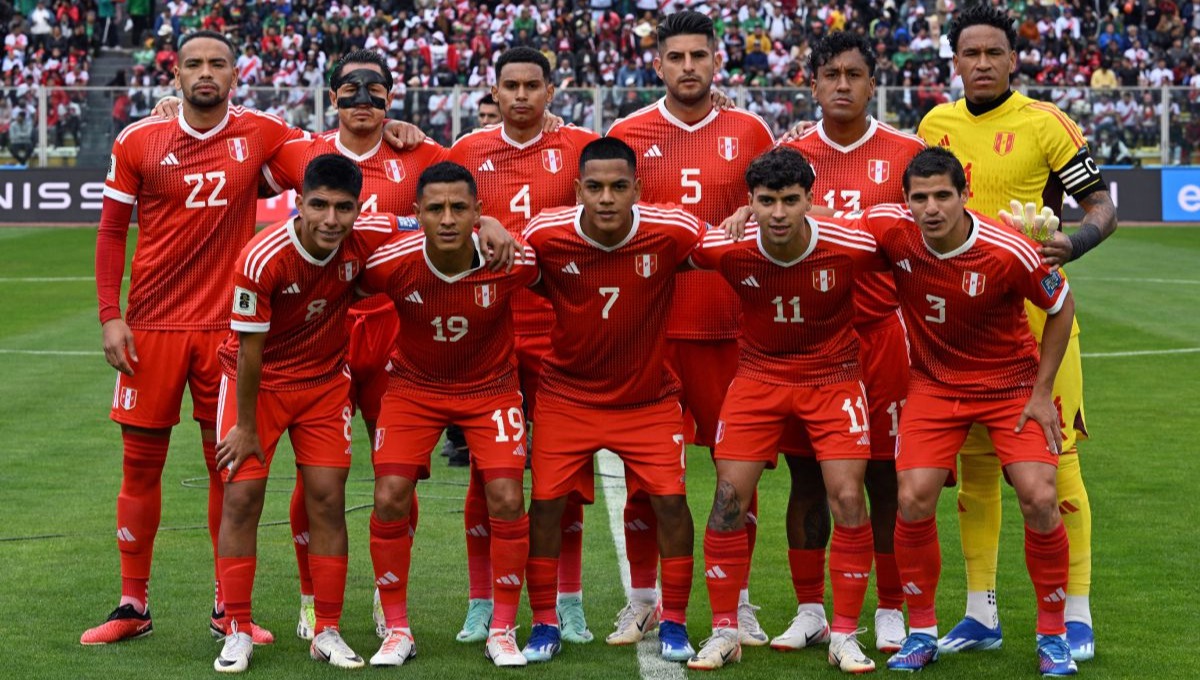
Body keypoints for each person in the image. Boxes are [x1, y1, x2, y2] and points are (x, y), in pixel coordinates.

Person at [85, 30, 304, 647]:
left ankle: (226, 609)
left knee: (226, 469)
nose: (206, 72)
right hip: (151, 326)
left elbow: (331, 159)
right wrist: (110, 314)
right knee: (139, 465)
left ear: (236, 73)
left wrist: (400, 133)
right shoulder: (139, 138)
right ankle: (133, 605)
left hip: (229, 330)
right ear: (174, 73)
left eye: (218, 63)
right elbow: (110, 233)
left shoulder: (262, 132)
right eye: (194, 64)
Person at [916, 5, 1116, 662]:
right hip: (959, 325)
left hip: (1038, 319)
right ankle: (980, 613)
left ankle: (1077, 614)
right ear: (956, 61)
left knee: (1054, 464)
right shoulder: (934, 125)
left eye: (992, 53)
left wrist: (1071, 243)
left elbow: (1102, 208)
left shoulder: (1044, 123)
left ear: (1011, 59)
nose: (980, 63)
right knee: (973, 467)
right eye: (968, 54)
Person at [860, 147, 1077, 678]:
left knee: (1040, 496)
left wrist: (1042, 392)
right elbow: (823, 223)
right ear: (906, 201)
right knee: (911, 497)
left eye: (942, 196)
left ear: (963, 196)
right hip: (935, 385)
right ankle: (922, 631)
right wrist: (754, 213)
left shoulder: (1009, 251)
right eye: (920, 197)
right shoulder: (891, 230)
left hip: (1010, 385)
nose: (931, 208)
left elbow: (1061, 305)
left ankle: (1053, 635)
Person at [259, 48, 450, 642]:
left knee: (397, 474)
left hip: (401, 333)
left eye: (376, 91)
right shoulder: (301, 152)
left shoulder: (424, 154)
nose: (363, 102)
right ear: (331, 95)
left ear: (393, 98)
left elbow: (472, 201)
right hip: (325, 334)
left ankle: (385, 594)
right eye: (350, 90)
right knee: (317, 480)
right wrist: (170, 108)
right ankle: (313, 596)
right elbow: (232, 153)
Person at [604, 10, 775, 647]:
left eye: (698, 57)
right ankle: (643, 601)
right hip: (652, 330)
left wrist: (745, 209)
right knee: (649, 477)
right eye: (675, 58)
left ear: (716, 61)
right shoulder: (628, 132)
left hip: (733, 327)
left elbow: (777, 198)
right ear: (659, 65)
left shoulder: (750, 128)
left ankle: (743, 602)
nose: (687, 68)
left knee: (738, 475)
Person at [686, 147, 885, 673]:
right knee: (728, 498)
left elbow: (913, 245)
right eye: (766, 201)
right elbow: (660, 243)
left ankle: (843, 632)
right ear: (749, 202)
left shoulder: (849, 243)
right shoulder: (726, 247)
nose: (778, 213)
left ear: (809, 201)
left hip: (834, 378)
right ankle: (725, 630)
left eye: (790, 201)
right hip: (758, 378)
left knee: (847, 498)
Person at [211, 154, 398, 672]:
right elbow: (249, 352)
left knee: (327, 499)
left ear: (359, 209)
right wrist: (246, 427)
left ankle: (327, 630)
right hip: (258, 385)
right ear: (299, 203)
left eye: (343, 208)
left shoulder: (367, 234)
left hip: (322, 384)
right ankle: (238, 628)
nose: (331, 220)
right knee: (243, 498)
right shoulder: (262, 258)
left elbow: (419, 219)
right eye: (318, 205)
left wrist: (488, 221)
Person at [520, 137, 702, 664]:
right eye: (594, 187)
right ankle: (544, 622)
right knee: (548, 505)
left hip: (647, 400)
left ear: (637, 189)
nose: (606, 198)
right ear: (577, 189)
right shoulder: (545, 234)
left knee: (670, 501)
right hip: (566, 395)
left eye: (618, 187)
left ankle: (673, 622)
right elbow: (510, 258)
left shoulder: (672, 230)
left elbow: (724, 244)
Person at [773, 31, 925, 655]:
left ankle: (890, 608)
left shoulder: (907, 152)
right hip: (805, 346)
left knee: (885, 480)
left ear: (871, 83)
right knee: (807, 481)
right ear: (812, 83)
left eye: (854, 74)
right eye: (830, 73)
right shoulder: (789, 154)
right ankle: (811, 609)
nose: (842, 84)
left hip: (881, 340)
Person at [447, 46, 600, 646]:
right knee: (488, 475)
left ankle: (569, 599)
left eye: (531, 86)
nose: (520, 96)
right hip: (486, 332)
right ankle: (482, 600)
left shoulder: (580, 147)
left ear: (550, 90)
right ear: (496, 90)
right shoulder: (466, 152)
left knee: (563, 474)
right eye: (509, 86)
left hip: (563, 330)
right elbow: (432, 204)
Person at [358, 162, 539, 669]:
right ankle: (397, 630)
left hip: (492, 389)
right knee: (389, 496)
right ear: (416, 213)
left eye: (460, 208)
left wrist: (501, 228)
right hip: (414, 389)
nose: (447, 218)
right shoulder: (391, 262)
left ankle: (502, 628)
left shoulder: (509, 258)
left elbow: (557, 270)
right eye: (435, 208)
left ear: (478, 213)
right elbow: (340, 288)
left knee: (505, 497)